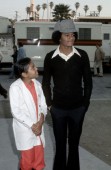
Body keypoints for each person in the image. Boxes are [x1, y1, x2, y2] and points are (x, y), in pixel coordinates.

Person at [42, 19, 92, 170]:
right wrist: (50, 104)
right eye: (67, 35)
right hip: (58, 109)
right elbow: (45, 83)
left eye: (73, 35)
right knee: (60, 144)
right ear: (59, 37)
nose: (71, 38)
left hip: (78, 109)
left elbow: (88, 82)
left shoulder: (82, 55)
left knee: (74, 145)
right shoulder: (50, 58)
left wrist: (85, 104)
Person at [9, 57, 47, 170]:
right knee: (27, 161)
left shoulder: (37, 85)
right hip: (25, 129)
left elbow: (43, 105)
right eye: (32, 67)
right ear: (24, 74)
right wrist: (33, 125)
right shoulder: (15, 87)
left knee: (39, 161)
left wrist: (40, 122)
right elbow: (16, 111)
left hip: (38, 129)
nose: (36, 68)